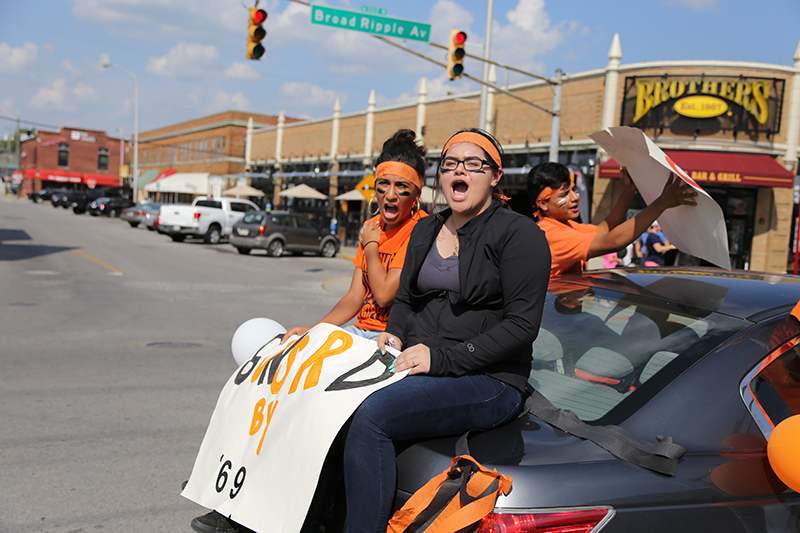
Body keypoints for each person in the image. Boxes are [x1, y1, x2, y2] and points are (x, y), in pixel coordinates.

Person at [341, 128, 551, 533]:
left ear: (495, 176)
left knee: (372, 416)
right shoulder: (426, 229)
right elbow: (404, 298)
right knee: (323, 400)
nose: (460, 171)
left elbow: (523, 326)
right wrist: (396, 334)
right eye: (451, 163)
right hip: (418, 361)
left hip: (490, 379)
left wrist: (442, 358)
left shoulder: (519, 234)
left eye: (474, 164)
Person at [282, 129, 428, 342]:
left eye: (402, 186)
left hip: (393, 337)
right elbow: (354, 297)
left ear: (417, 193)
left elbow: (384, 294)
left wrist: (370, 246)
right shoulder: (372, 225)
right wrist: (314, 330)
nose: (390, 194)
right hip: (361, 331)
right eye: (383, 184)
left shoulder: (420, 228)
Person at [526, 162, 697, 279]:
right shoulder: (550, 234)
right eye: (565, 194)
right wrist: (661, 204)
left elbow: (604, 230)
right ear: (542, 203)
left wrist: (628, 191)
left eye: (574, 189)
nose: (575, 197)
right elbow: (613, 241)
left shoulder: (564, 225)